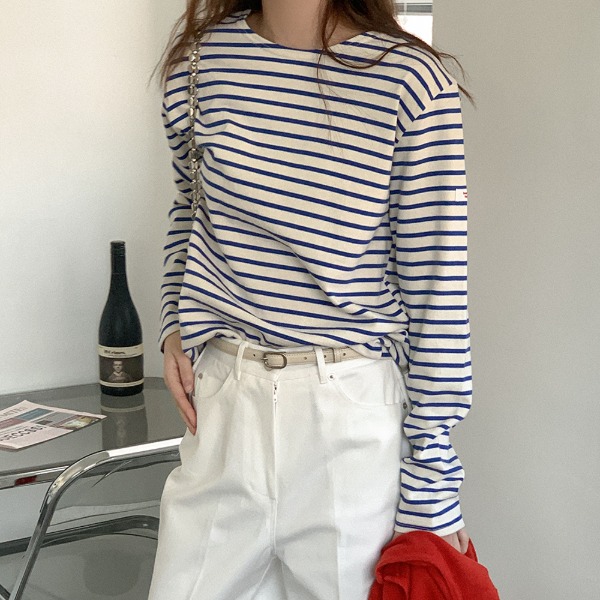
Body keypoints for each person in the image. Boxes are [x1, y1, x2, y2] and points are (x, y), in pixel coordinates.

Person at [148, 1, 475, 598]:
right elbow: (189, 205)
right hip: (224, 401)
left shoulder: (411, 82)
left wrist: (433, 484)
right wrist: (174, 323)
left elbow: (437, 292)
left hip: (348, 421)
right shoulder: (198, 63)